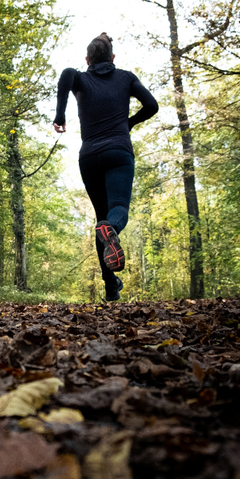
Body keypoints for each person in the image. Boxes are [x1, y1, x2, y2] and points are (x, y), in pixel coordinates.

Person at [54, 32, 158, 301]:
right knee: (117, 210)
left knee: (101, 219)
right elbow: (151, 105)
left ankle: (111, 287)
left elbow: (67, 74)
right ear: (112, 57)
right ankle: (111, 229)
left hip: (89, 157)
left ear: (87, 60)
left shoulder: (80, 78)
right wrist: (129, 123)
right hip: (118, 152)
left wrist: (60, 115)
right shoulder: (126, 78)